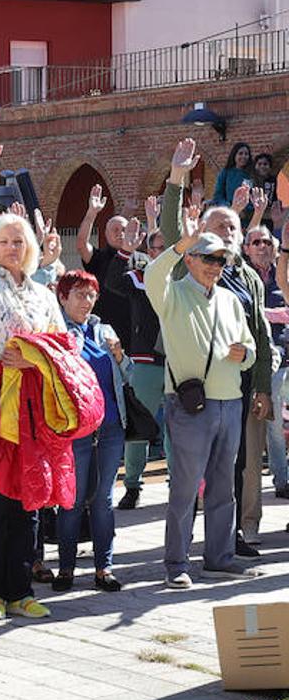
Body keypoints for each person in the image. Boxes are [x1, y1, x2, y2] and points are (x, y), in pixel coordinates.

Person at [0, 128, 65, 621]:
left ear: (29, 249)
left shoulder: (44, 295)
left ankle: (23, 589)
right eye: (2, 240)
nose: (8, 245)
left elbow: (63, 348)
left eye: (16, 240)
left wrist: (35, 360)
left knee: (28, 497)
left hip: (32, 404)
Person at [161, 139, 273, 561]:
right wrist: (176, 180)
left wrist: (261, 386)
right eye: (219, 228)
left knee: (232, 472)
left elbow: (259, 336)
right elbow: (174, 235)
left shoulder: (245, 277)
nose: (226, 235)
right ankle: (178, 556)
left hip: (236, 390)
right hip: (193, 391)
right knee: (189, 479)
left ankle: (225, 548)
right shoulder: (192, 267)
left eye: (232, 228)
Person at [146, 212, 258, 588]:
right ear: (190, 259)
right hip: (190, 406)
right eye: (208, 257)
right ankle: (176, 563)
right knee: (185, 487)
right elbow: (152, 275)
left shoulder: (229, 299)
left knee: (224, 485)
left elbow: (252, 344)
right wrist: (180, 243)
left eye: (221, 260)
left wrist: (248, 353)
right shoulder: (172, 294)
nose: (216, 266)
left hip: (230, 401)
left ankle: (219, 557)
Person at [53, 271, 129, 592]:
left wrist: (120, 356)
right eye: (80, 294)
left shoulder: (105, 330)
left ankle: (104, 569)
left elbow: (127, 376)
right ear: (63, 298)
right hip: (76, 429)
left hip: (111, 427)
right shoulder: (57, 332)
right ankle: (66, 569)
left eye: (91, 295)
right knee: (71, 500)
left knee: (103, 500)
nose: (87, 301)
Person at [107, 214, 167, 510]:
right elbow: (111, 282)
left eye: (170, 247)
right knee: (139, 426)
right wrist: (126, 251)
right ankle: (132, 485)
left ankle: (180, 482)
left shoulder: (183, 277)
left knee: (179, 426)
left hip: (179, 361)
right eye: (158, 247)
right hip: (145, 361)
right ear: (150, 251)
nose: (164, 252)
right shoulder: (140, 276)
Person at [240, 223, 286, 540]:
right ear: (246, 248)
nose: (261, 246)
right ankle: (280, 483)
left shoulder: (280, 275)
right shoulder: (241, 279)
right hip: (261, 368)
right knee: (266, 438)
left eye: (266, 241)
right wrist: (274, 314)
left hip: (285, 360)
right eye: (255, 242)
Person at [77, 184, 131, 350]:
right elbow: (81, 244)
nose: (120, 233)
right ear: (106, 234)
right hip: (104, 333)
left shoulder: (140, 260)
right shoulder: (98, 258)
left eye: (124, 230)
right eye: (114, 230)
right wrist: (92, 212)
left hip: (133, 333)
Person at [213, 142, 254, 207]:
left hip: (248, 212)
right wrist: (227, 205)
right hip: (229, 209)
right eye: (240, 153)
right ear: (234, 155)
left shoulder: (252, 173)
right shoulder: (225, 173)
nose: (243, 156)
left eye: (246, 154)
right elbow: (218, 195)